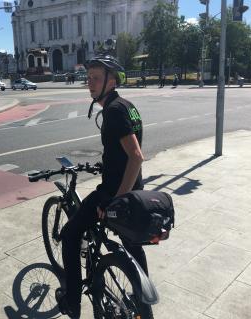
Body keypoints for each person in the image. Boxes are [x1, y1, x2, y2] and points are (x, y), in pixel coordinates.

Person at [55, 55, 152, 319]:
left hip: (114, 193)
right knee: (133, 245)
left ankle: (72, 302)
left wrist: (115, 200)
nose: (90, 83)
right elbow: (123, 154)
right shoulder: (127, 105)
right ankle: (142, 298)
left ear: (112, 81)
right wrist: (107, 164)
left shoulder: (113, 111)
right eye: (88, 78)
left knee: (70, 234)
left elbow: (136, 156)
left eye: (96, 78)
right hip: (136, 189)